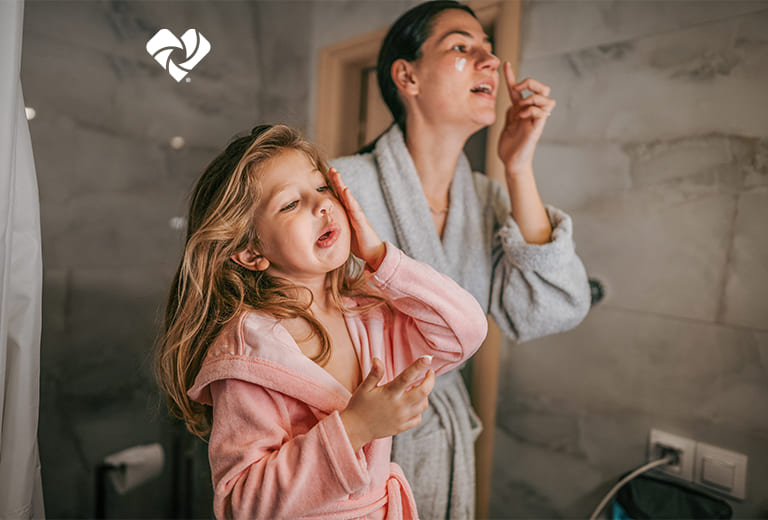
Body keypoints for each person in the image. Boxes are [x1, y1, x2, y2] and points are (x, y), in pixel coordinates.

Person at [331, 1, 592, 518]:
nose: (490, 61)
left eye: (489, 51)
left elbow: (547, 308)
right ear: (407, 76)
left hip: (442, 443)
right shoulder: (340, 187)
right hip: (350, 445)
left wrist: (518, 168)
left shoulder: (489, 200)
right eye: (461, 46)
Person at [154, 123, 488, 519]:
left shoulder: (368, 312)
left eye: (322, 188)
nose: (321, 205)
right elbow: (240, 504)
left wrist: (383, 257)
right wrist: (354, 428)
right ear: (249, 251)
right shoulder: (251, 355)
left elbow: (464, 331)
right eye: (290, 204)